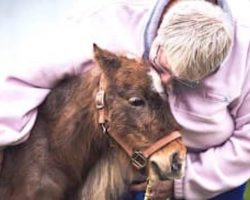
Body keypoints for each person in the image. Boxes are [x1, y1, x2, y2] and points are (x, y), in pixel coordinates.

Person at [0, 0, 250, 199]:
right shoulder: (107, 19)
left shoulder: (245, 49)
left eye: (185, 82)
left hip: (210, 177)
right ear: (160, 36)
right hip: (126, 173)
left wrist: (185, 182)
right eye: (162, 69)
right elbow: (21, 80)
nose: (166, 83)